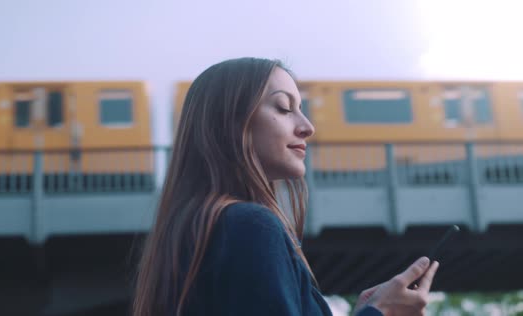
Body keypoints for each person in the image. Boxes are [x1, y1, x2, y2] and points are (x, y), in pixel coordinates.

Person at [132, 57, 439, 316]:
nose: (308, 127)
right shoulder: (249, 226)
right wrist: (379, 312)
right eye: (283, 107)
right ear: (231, 123)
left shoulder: (196, 227)